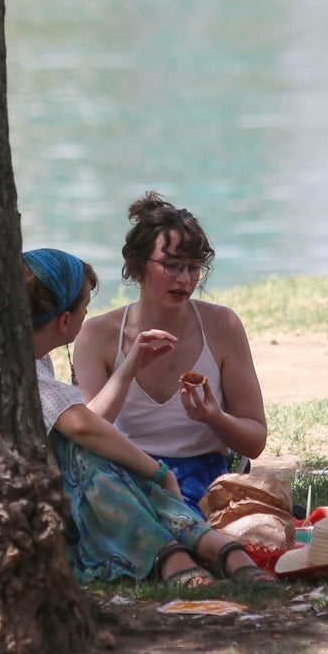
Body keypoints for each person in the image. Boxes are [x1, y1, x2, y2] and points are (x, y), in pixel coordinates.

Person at [24, 248, 276, 587]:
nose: (184, 278)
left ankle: (193, 552)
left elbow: (86, 425)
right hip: (57, 486)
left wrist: (131, 369)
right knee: (89, 457)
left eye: (193, 267)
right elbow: (83, 427)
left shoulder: (37, 359)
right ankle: (193, 553)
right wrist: (159, 473)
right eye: (84, 308)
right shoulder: (21, 365)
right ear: (65, 320)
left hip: (145, 473)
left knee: (101, 459)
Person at [73, 191, 267, 513]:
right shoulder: (98, 334)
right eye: (171, 265)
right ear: (137, 267)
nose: (184, 279)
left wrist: (214, 417)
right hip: (127, 473)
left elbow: (254, 440)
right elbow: (88, 432)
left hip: (204, 475)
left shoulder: (222, 326)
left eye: (194, 268)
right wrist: (129, 368)